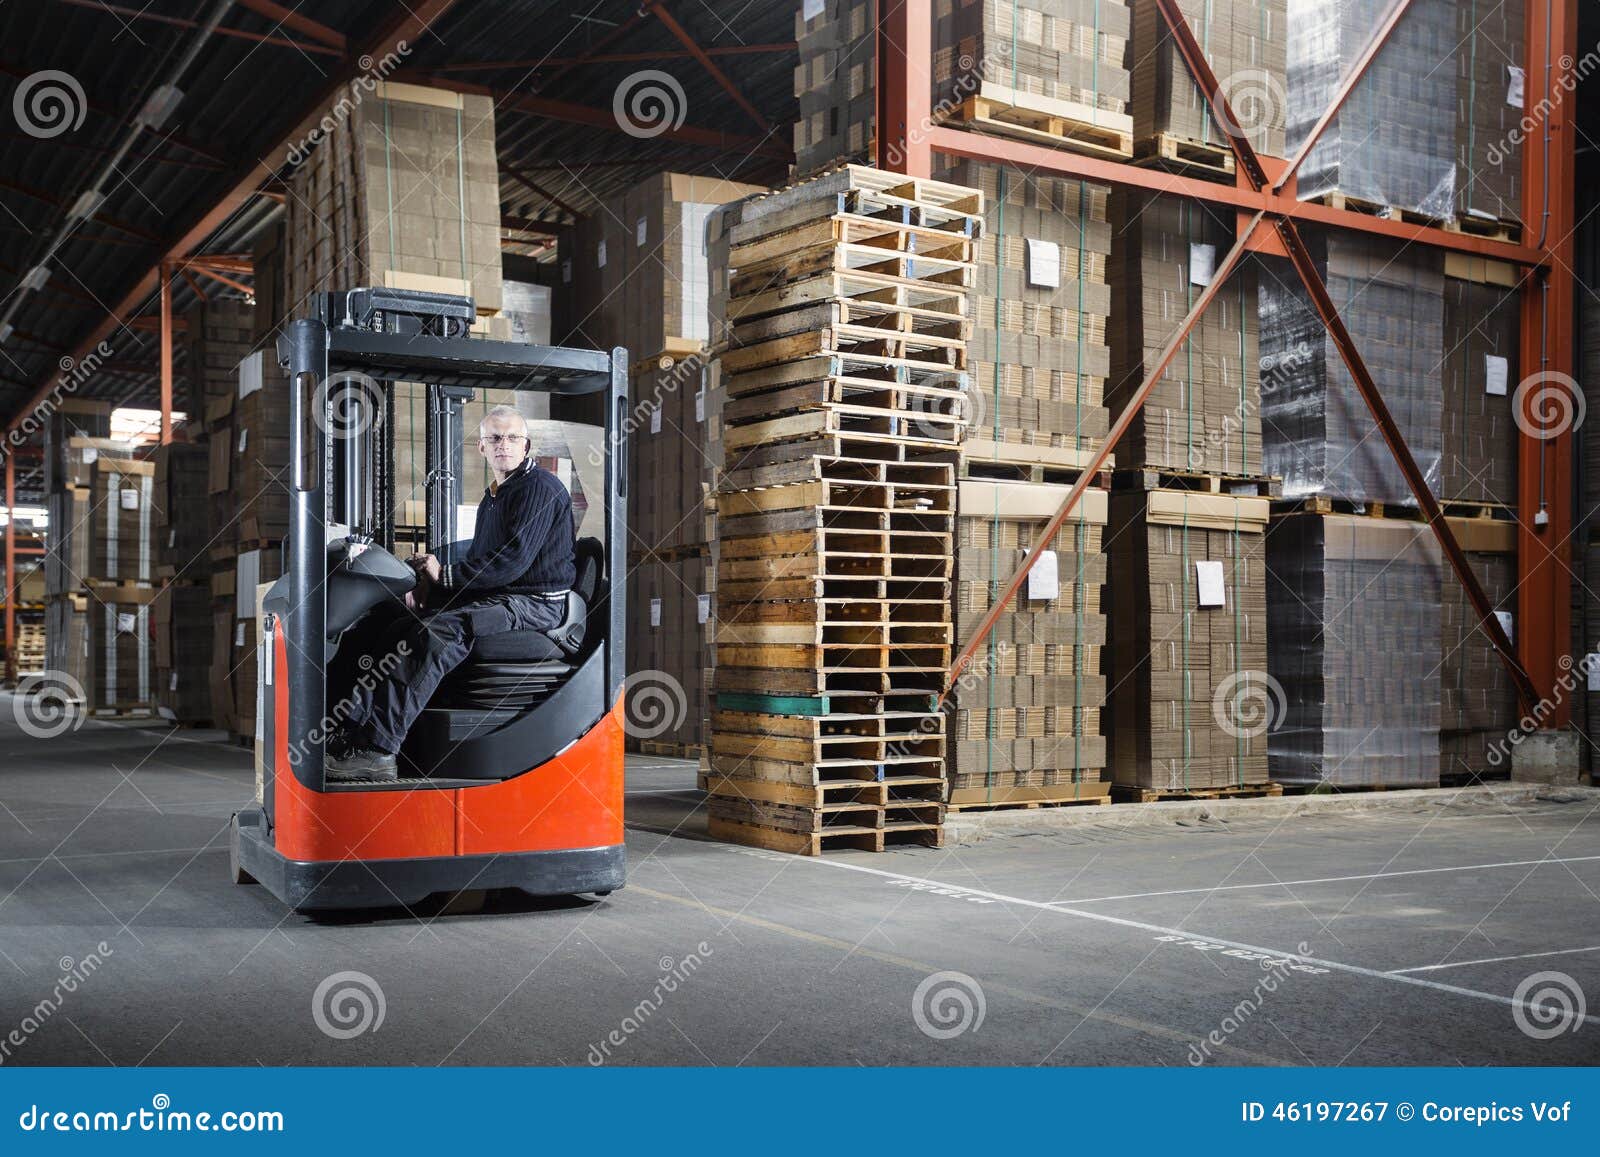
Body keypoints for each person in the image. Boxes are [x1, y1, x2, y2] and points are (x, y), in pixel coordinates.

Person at [326, 405, 576, 782]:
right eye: (495, 438)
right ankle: (349, 731)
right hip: (505, 599)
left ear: (527, 446)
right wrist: (431, 587)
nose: (503, 445)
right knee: (393, 626)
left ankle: (378, 752)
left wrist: (445, 576)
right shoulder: (496, 496)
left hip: (536, 606)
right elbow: (481, 559)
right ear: (481, 447)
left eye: (512, 438)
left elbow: (511, 561)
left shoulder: (539, 488)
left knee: (436, 635)